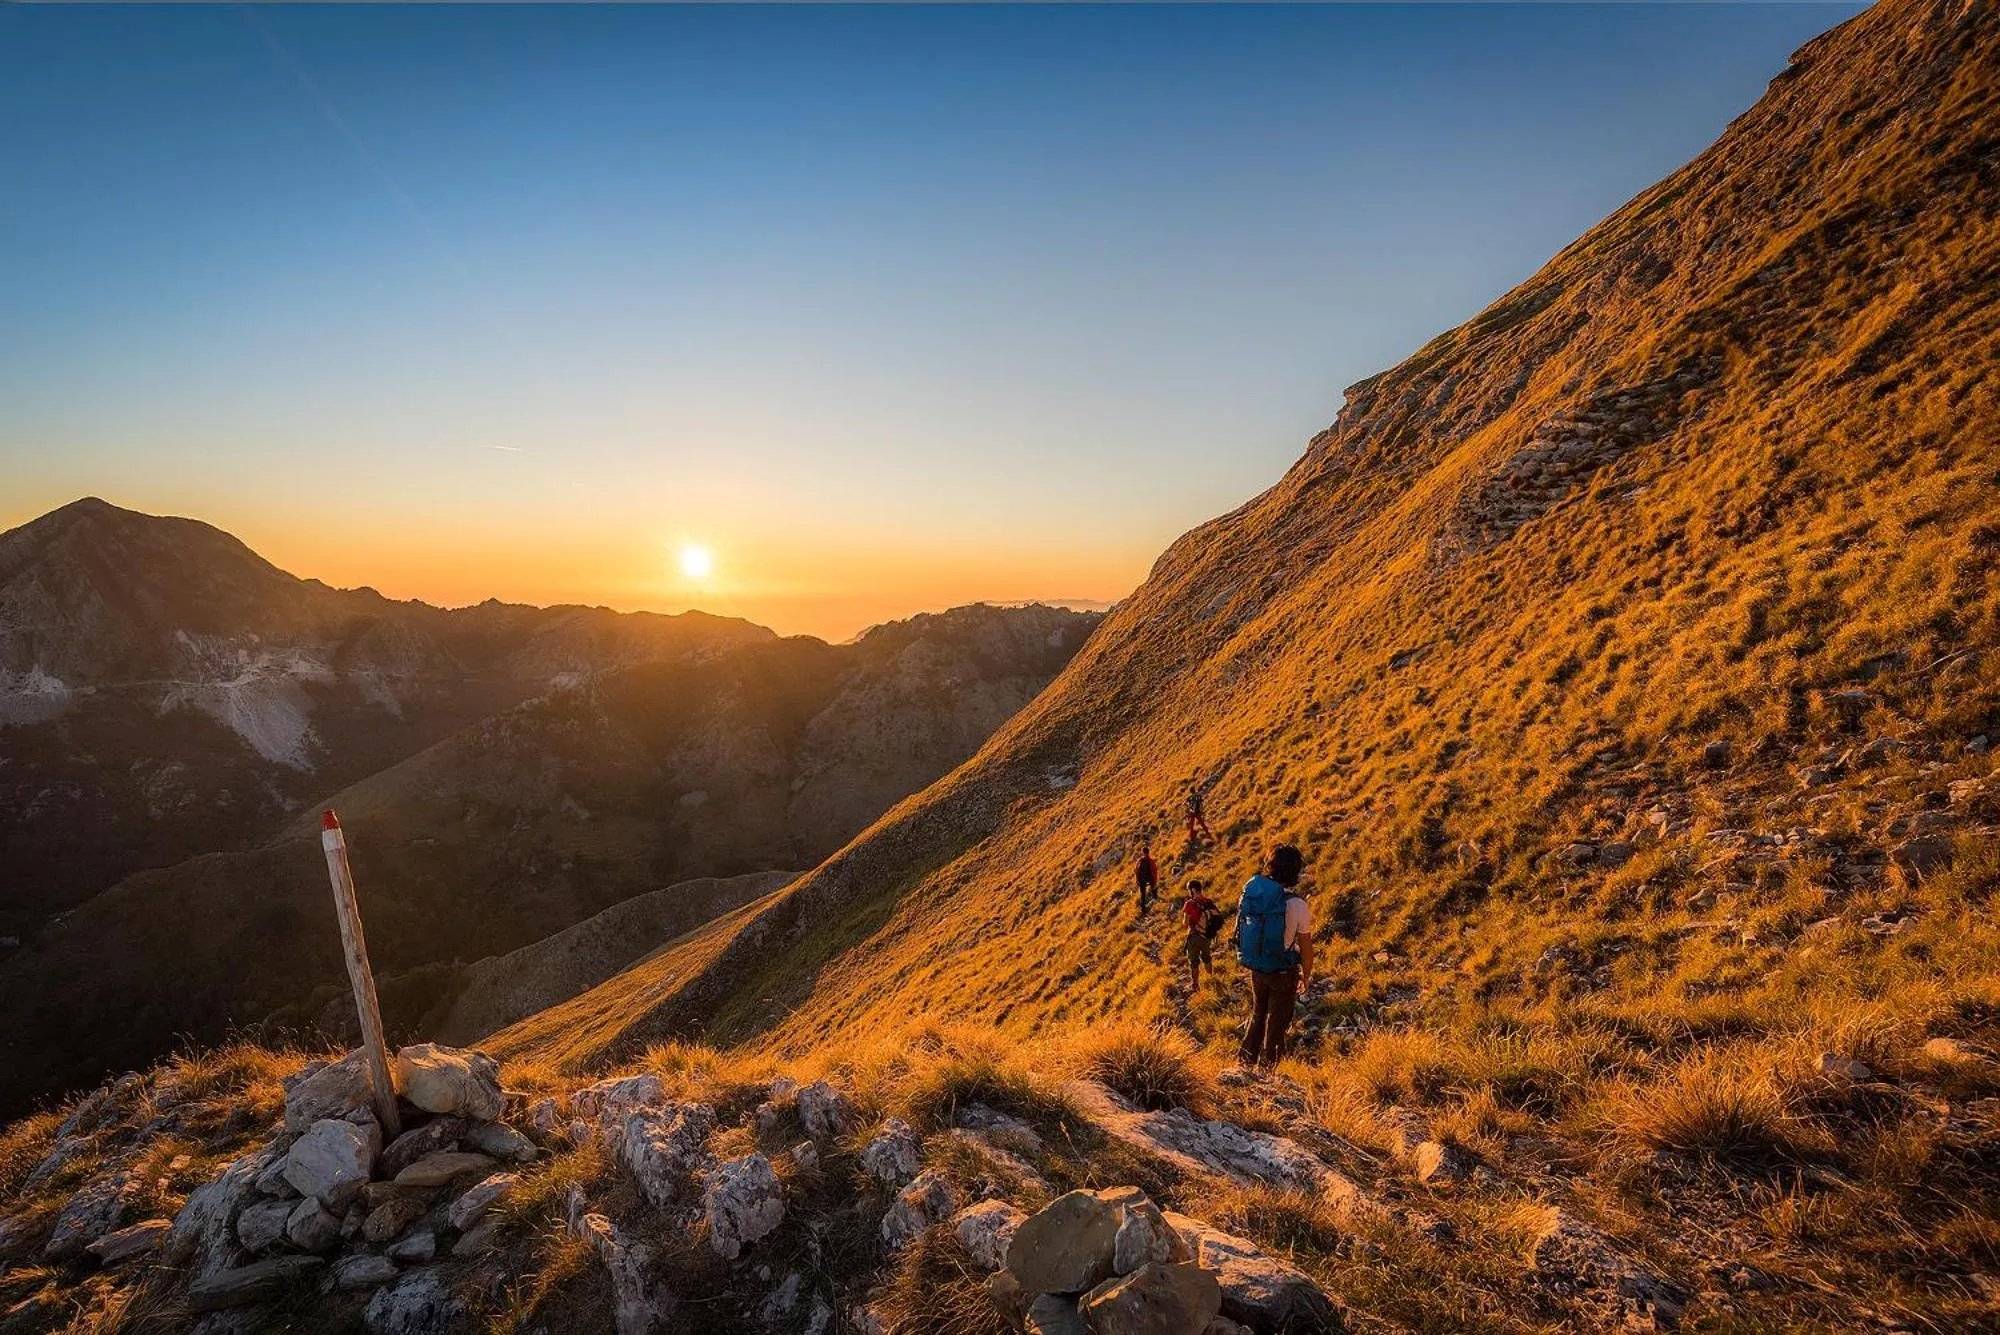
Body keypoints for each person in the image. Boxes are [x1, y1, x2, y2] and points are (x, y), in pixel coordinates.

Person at [1234, 844, 1313, 1068]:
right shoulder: (1296, 904)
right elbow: (1306, 947)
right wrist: (1306, 976)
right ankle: (1271, 1072)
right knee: (1277, 1024)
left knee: (1259, 1013)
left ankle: (1245, 1063)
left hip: (1257, 967)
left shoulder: (1257, 892)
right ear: (1295, 871)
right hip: (1282, 972)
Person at [1180, 878, 1223, 991]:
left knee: (1194, 962)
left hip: (1194, 936)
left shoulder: (1190, 904)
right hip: (1207, 935)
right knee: (1207, 958)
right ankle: (1211, 979)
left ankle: (1195, 985)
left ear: (1193, 890)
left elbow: (1185, 924)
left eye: (1189, 890)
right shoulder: (1208, 902)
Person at [1133, 842, 1158, 919]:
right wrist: (1155, 882)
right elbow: (1154, 871)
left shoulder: (1139, 861)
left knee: (1142, 895)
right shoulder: (1151, 861)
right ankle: (1155, 900)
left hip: (1141, 880)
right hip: (1150, 878)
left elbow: (1136, 870)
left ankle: (1143, 910)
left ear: (1142, 852)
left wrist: (1137, 880)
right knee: (1154, 889)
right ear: (1149, 852)